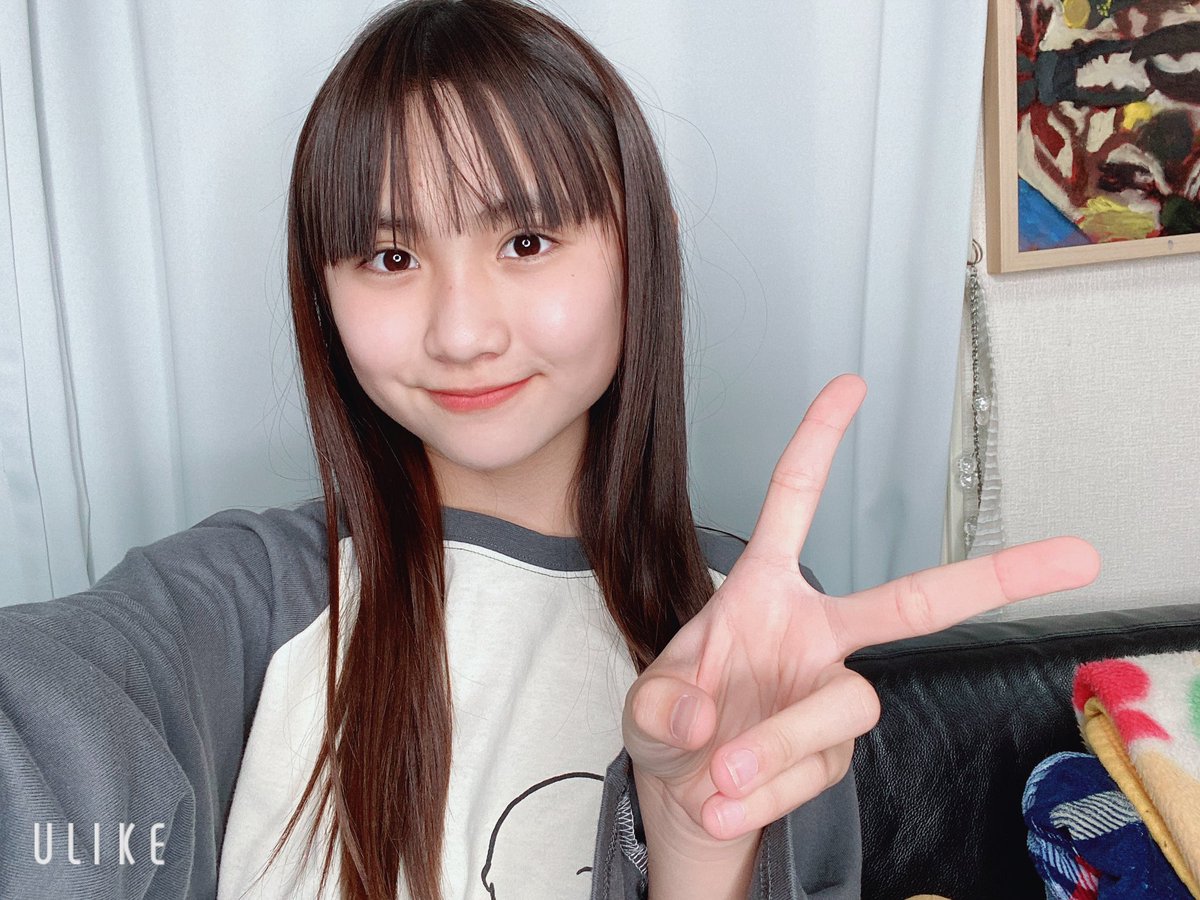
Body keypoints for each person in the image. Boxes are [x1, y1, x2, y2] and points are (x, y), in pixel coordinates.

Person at [0, 1, 1100, 898]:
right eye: (389, 257)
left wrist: (696, 841)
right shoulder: (240, 602)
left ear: (637, 252)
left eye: (526, 241)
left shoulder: (749, 627)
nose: (461, 331)